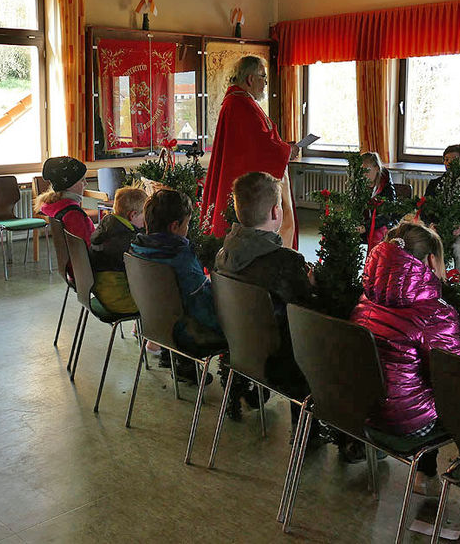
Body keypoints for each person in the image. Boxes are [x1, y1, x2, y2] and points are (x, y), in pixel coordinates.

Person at [351, 221, 460, 497]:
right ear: (431, 261)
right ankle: (439, 479)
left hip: (358, 409)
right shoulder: (435, 312)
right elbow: (454, 379)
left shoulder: (366, 296)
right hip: (404, 424)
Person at [214, 171, 315, 431]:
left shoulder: (222, 255)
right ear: (276, 213)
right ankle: (309, 431)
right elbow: (307, 312)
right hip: (280, 362)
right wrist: (312, 284)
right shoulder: (285, 262)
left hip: (237, 349)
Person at [201, 56, 299, 242]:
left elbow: (259, 141)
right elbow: (260, 147)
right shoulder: (240, 104)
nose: (265, 83)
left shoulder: (241, 101)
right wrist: (287, 151)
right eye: (263, 77)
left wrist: (284, 147)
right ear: (250, 79)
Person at [130, 189, 224, 381]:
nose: (188, 229)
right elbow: (203, 307)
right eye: (187, 224)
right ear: (175, 226)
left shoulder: (135, 250)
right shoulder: (181, 259)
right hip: (184, 334)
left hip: (152, 326)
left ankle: (182, 364)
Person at [423, 144, 460, 277]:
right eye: (446, 159)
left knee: (459, 248)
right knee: (422, 244)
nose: (449, 163)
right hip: (437, 228)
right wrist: (431, 224)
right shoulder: (435, 184)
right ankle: (430, 283)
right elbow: (425, 209)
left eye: (454, 159)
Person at [89, 186, 147, 314]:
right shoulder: (126, 240)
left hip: (102, 292)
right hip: (121, 300)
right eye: (145, 215)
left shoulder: (108, 227)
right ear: (133, 215)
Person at [36, 156, 95, 245]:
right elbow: (86, 245)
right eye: (82, 180)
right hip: (88, 257)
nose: (86, 183)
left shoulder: (55, 206)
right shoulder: (73, 213)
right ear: (71, 184)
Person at [360, 151, 397, 249]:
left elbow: (387, 215)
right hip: (364, 224)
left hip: (381, 224)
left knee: (378, 234)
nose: (364, 174)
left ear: (376, 168)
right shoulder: (359, 185)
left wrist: (366, 226)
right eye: (361, 171)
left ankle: (375, 262)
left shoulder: (386, 186)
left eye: (367, 170)